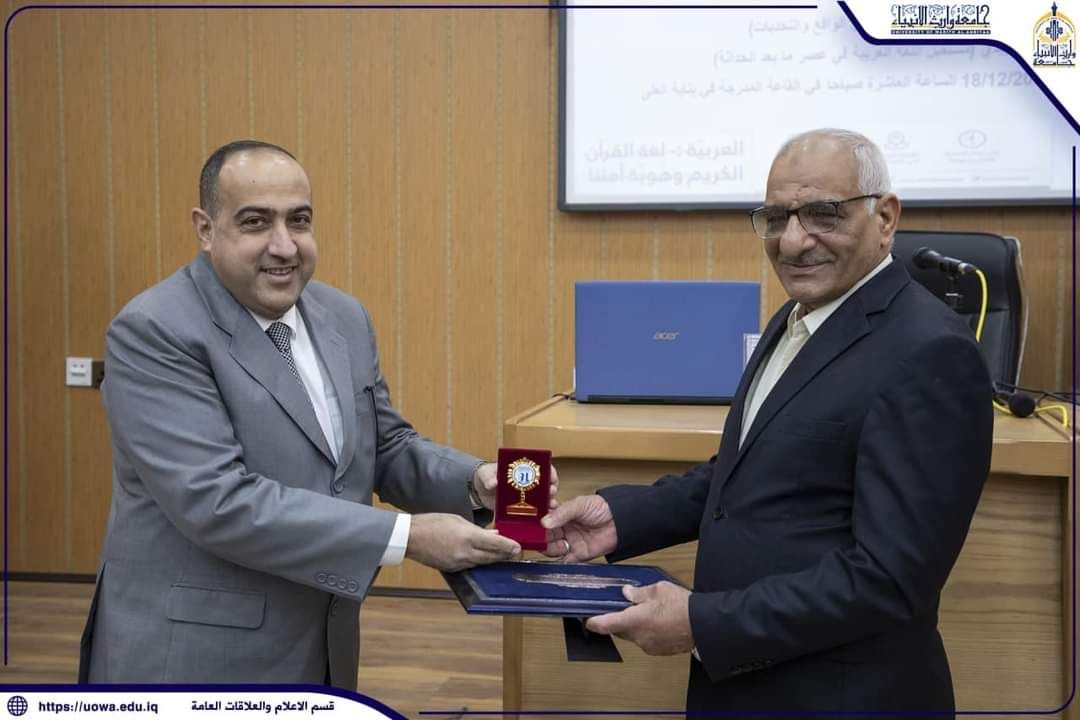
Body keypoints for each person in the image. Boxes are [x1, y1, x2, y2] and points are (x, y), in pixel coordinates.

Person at [542, 128, 993, 714]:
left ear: (885, 217)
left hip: (840, 699)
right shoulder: (797, 316)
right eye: (776, 218)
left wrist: (704, 623)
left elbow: (889, 578)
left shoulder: (930, 351)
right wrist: (621, 519)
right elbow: (748, 474)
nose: (793, 241)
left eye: (823, 214)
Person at [79, 140, 539, 688]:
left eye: (298, 220)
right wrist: (407, 536)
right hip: (195, 656)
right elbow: (216, 501)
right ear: (205, 228)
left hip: (321, 642)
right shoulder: (155, 330)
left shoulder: (343, 316)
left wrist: (475, 483)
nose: (284, 245)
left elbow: (383, 446)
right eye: (255, 222)